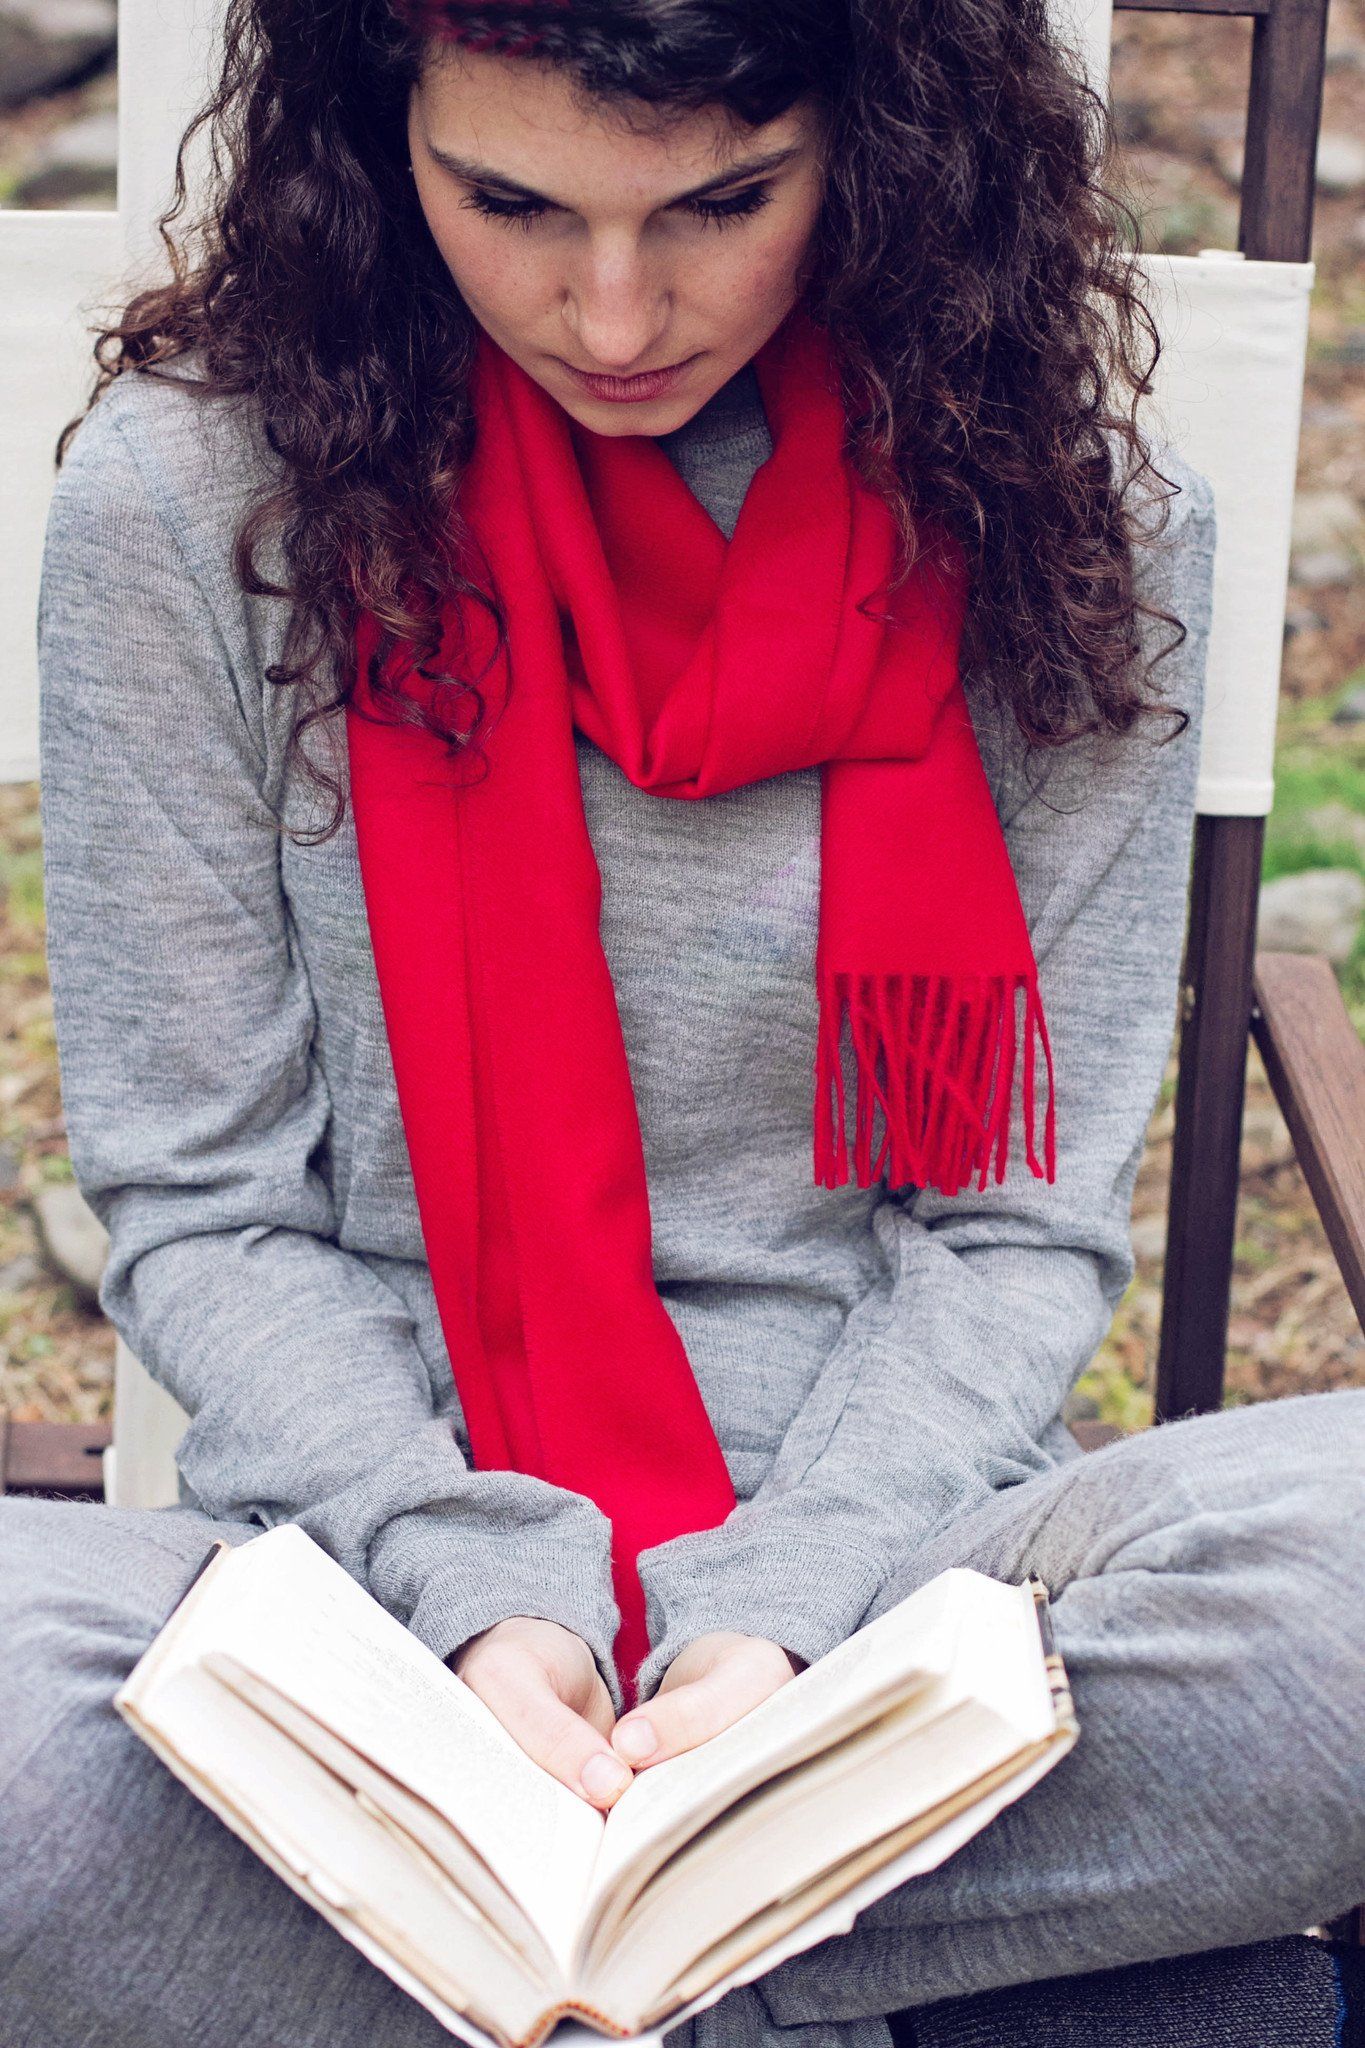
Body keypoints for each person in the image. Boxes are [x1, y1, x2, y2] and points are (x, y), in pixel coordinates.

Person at [2, 0, 1362, 2044]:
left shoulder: (1066, 515)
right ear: (383, 150)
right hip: (364, 1596)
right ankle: (750, 1933)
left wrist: (776, 1624)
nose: (615, 310)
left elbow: (1002, 1233)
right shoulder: (193, 505)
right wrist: (483, 1587)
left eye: (722, 203)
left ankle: (523, 1945)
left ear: (876, 146)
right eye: (510, 203)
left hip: (912, 1562)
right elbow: (205, 1203)